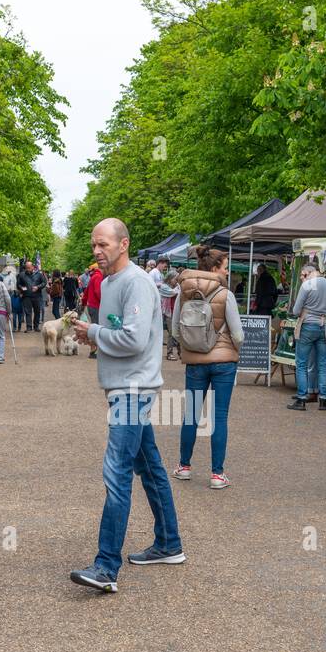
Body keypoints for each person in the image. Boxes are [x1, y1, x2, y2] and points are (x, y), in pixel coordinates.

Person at [70, 218, 183, 593]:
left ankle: (106, 567)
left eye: (102, 245)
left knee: (116, 472)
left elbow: (133, 340)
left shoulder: (135, 281)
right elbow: (124, 336)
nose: (97, 252)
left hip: (132, 391)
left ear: (124, 244)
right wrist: (96, 339)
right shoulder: (115, 282)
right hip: (126, 388)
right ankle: (169, 543)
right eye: (94, 246)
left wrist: (96, 333)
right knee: (149, 468)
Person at [171, 245, 243, 489]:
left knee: (191, 415)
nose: (228, 271)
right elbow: (239, 334)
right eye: (225, 267)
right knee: (219, 416)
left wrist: (191, 345)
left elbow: (174, 330)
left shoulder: (184, 293)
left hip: (195, 362)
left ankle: (184, 466)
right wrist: (232, 349)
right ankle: (217, 474)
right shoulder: (226, 295)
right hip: (223, 363)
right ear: (214, 269)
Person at [286, 264, 326, 412]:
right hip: (325, 327)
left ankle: (301, 399)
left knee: (302, 364)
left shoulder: (307, 286)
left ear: (308, 273)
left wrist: (310, 310)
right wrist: (324, 311)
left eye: (303, 275)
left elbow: (296, 310)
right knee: (323, 364)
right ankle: (323, 400)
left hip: (308, 326)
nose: (302, 278)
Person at [16, 260, 45, 332]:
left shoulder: (39, 274)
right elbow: (18, 284)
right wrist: (22, 288)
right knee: (28, 312)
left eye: (29, 267)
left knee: (37, 311)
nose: (28, 269)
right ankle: (29, 327)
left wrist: (38, 287)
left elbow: (44, 282)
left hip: (37, 296)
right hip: (26, 296)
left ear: (33, 267)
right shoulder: (22, 275)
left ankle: (36, 326)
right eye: (26, 267)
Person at [82, 261, 103, 359]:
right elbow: (98, 292)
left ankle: (94, 350)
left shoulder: (93, 277)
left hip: (91, 306)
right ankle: (93, 351)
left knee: (95, 327)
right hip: (96, 306)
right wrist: (105, 302)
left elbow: (86, 292)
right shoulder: (98, 277)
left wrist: (83, 303)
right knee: (96, 329)